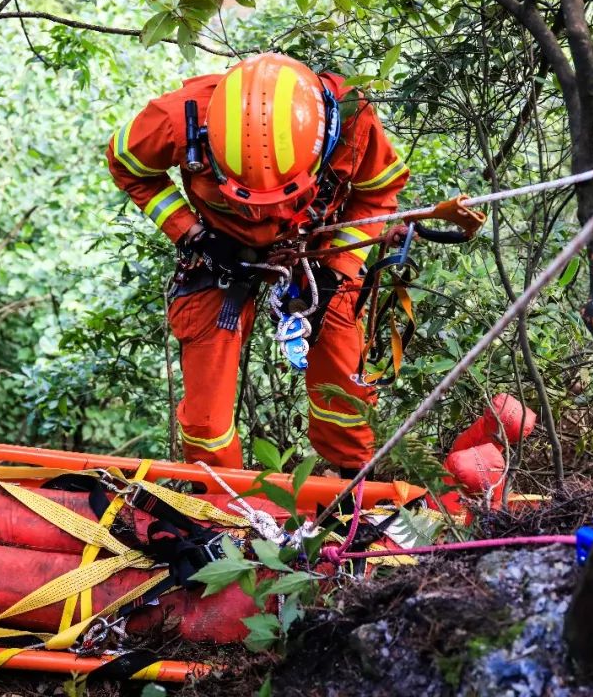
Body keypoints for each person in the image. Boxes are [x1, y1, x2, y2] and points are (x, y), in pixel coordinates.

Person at [106, 52, 411, 477]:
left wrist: (336, 270)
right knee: (206, 415)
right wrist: (193, 234)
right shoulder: (181, 117)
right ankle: (217, 503)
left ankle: (353, 488)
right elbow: (128, 165)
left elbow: (378, 193)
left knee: (344, 385)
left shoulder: (350, 118)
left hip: (317, 247)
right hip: (222, 253)